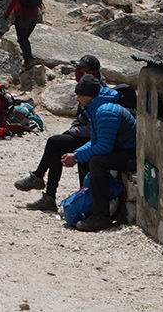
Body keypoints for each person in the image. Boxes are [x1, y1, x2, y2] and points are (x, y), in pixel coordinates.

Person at [14, 55, 108, 211]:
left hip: (92, 137)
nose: (78, 73)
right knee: (56, 150)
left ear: (92, 72)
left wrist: (73, 131)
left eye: (82, 70)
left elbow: (94, 126)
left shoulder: (98, 92)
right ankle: (49, 197)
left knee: (54, 142)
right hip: (82, 132)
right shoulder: (88, 86)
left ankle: (38, 178)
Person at [62, 74, 136, 232]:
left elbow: (104, 147)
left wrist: (75, 157)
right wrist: (76, 153)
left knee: (96, 161)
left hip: (132, 155)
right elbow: (95, 141)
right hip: (122, 151)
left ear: (88, 96)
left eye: (79, 95)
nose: (77, 99)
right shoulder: (97, 108)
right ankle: (88, 204)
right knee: (87, 157)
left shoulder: (105, 111)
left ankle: (101, 216)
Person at [5, 0, 42, 68]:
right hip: (34, 15)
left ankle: (29, 60)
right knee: (25, 38)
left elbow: (13, 0)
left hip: (22, 15)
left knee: (22, 39)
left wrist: (6, 13)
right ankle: (27, 57)